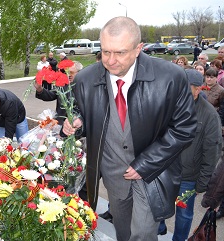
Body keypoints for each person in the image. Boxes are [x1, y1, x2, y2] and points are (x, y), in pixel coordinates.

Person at [62, 16, 197, 241]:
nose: (111, 61)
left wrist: (146, 163)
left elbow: (185, 128)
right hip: (113, 175)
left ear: (138, 49)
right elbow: (79, 116)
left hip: (153, 174)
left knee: (143, 234)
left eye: (120, 52)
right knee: (123, 232)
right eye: (105, 52)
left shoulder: (171, 78)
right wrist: (74, 124)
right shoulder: (85, 79)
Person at [158, 69, 222, 240]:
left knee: (183, 215)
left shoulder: (209, 115)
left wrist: (203, 181)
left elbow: (212, 151)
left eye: (184, 88)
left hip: (188, 177)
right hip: (164, 170)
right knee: (157, 205)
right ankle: (160, 226)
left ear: (198, 89)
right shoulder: (169, 104)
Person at [34, 61, 83, 125]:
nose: (69, 75)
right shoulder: (62, 84)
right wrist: (40, 89)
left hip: (76, 124)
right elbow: (51, 95)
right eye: (67, 72)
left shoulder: (85, 87)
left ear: (80, 73)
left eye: (71, 73)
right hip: (60, 123)